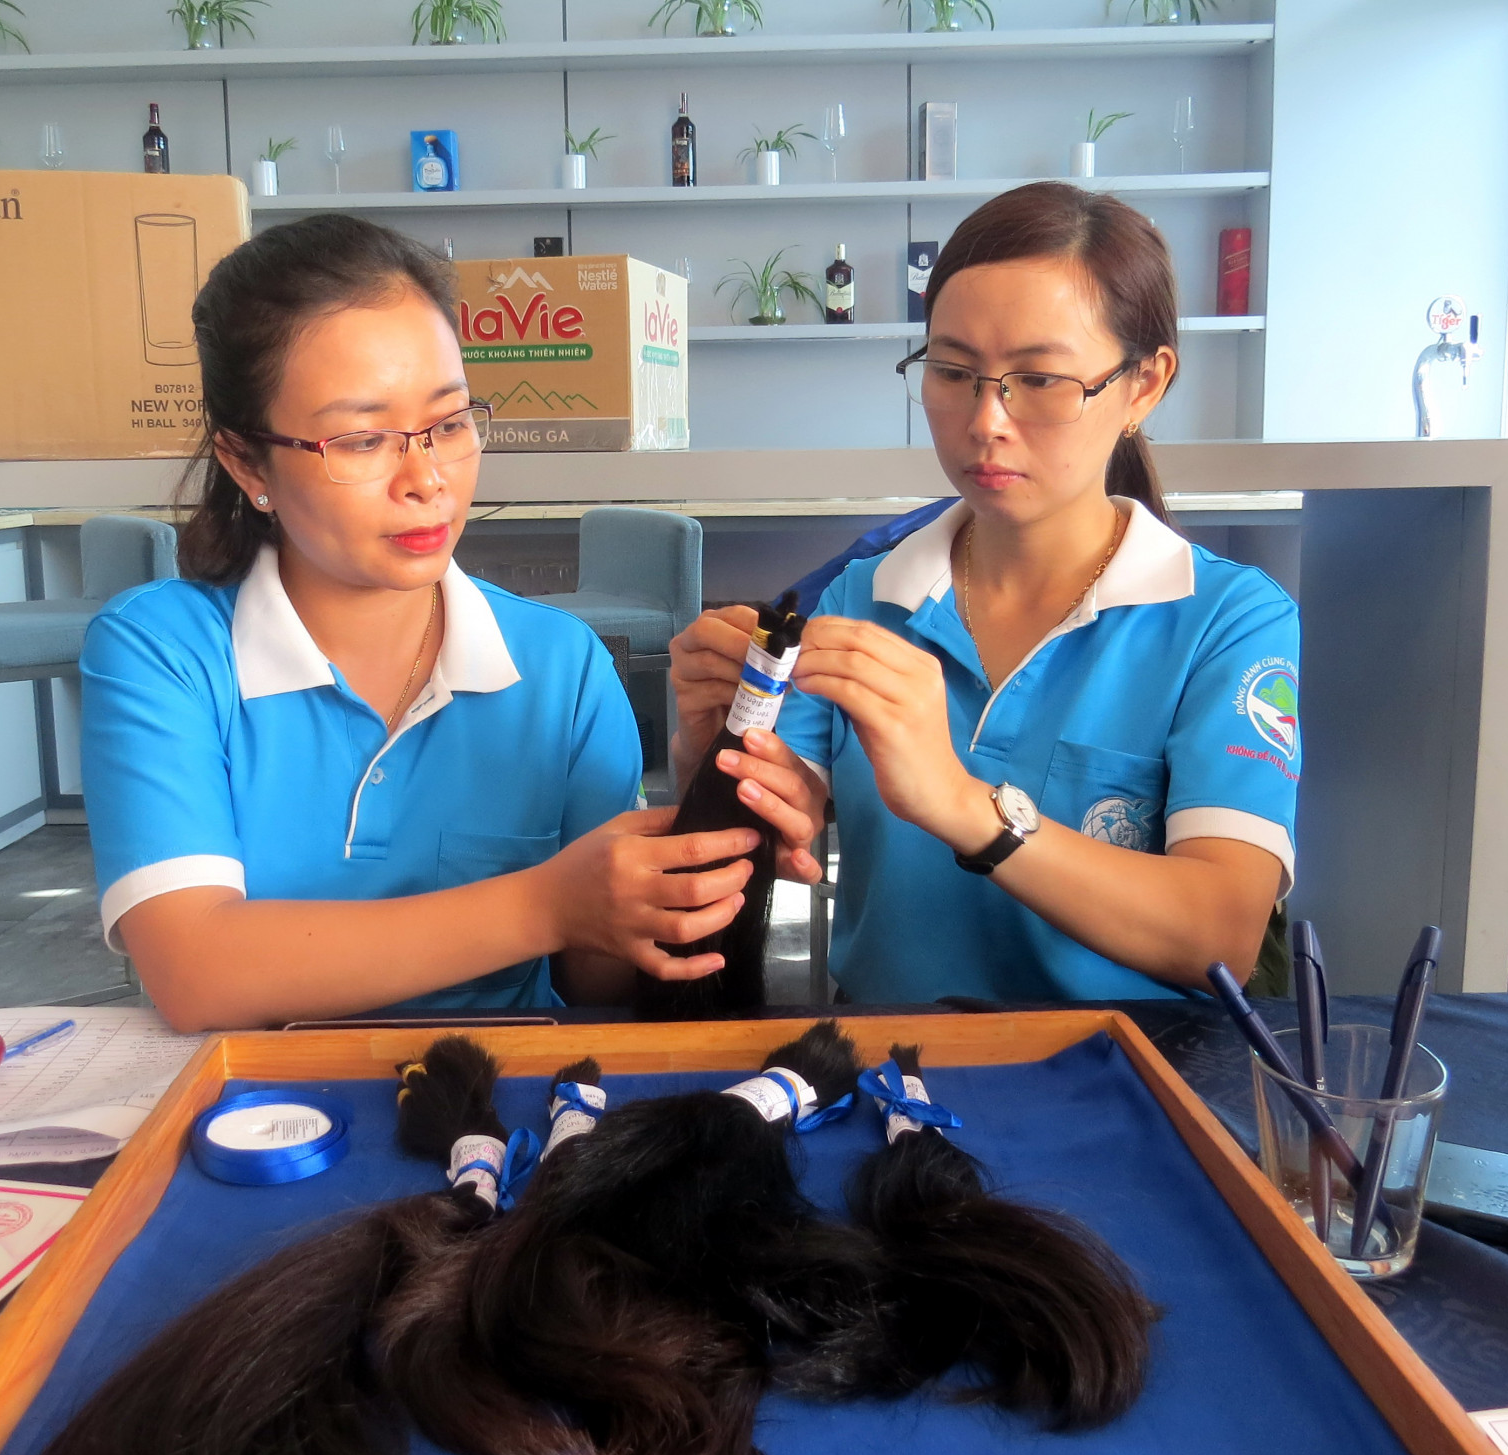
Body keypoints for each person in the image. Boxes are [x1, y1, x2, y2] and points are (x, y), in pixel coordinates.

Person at [81, 216, 759, 1031]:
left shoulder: (561, 669)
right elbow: (195, 973)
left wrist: (700, 814)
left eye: (448, 423)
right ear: (245, 462)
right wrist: (548, 904)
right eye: (362, 439)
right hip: (253, 1119)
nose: (427, 478)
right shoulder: (165, 653)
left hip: (506, 1102)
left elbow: (597, 989)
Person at [671, 182, 1299, 1002]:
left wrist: (966, 805)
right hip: (887, 1078)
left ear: (1143, 386)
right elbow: (784, 803)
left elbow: (1220, 933)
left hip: (1127, 1079)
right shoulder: (867, 597)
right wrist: (720, 746)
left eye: (1038, 378)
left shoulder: (1226, 622)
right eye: (954, 370)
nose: (986, 420)